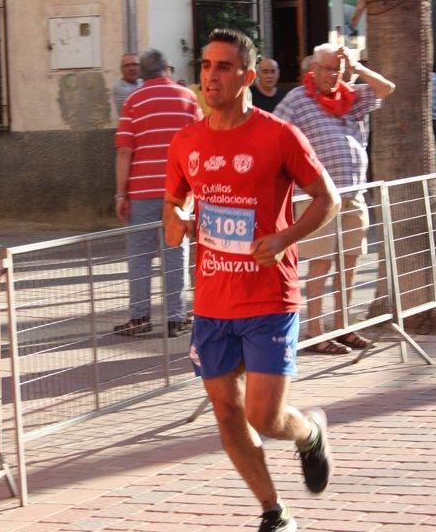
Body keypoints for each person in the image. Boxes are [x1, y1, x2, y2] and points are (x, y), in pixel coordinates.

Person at [163, 28, 340, 532]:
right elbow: (173, 202)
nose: (210, 76)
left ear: (246, 75)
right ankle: (274, 512)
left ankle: (308, 435)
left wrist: (284, 238)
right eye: (205, 65)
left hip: (269, 297)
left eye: (222, 67)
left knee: (264, 416)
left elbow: (328, 199)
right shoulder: (186, 140)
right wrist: (175, 220)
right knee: (226, 416)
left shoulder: (278, 135)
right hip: (213, 302)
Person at [274, 43, 395, 355]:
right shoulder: (298, 100)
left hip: (353, 194)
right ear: (313, 70)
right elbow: (273, 133)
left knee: (349, 262)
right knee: (321, 263)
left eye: (337, 70)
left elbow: (387, 88)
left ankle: (343, 326)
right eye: (326, 69)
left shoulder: (350, 96)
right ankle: (315, 331)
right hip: (317, 199)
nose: (331, 76)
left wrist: (357, 69)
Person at [114, 49, 202, 337]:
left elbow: (125, 150)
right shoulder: (188, 98)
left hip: (141, 191)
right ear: (166, 68)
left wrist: (120, 194)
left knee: (140, 254)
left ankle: (139, 318)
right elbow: (200, 144)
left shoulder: (133, 101)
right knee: (175, 252)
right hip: (178, 191)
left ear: (143, 71)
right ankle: (176, 318)